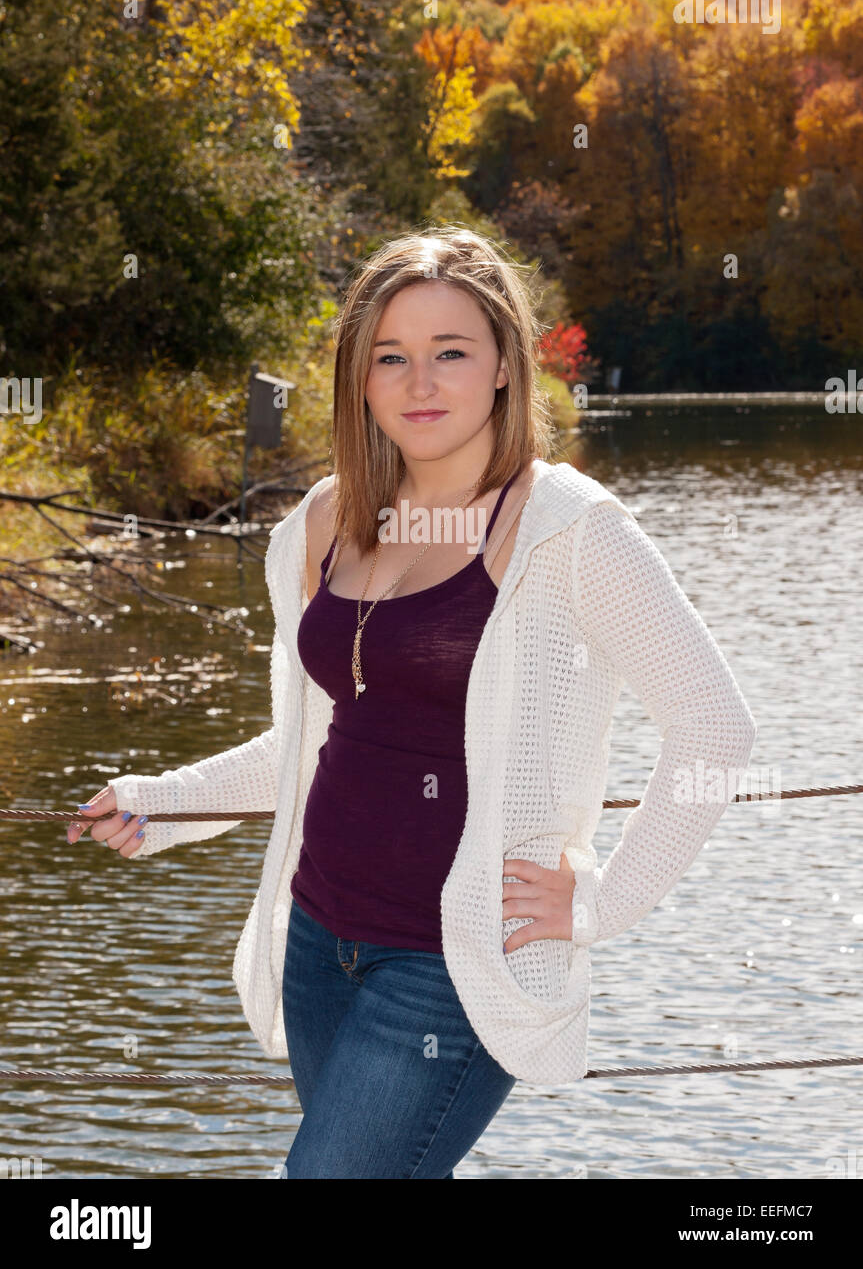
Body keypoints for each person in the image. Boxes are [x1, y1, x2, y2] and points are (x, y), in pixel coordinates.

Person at [67, 226, 757, 1178]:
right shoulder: (319, 525)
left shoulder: (569, 531)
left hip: (451, 964)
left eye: (450, 353)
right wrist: (165, 801)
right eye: (391, 355)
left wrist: (601, 899)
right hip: (319, 941)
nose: (419, 382)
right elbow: (318, 741)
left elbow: (715, 726)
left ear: (507, 366)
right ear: (359, 377)